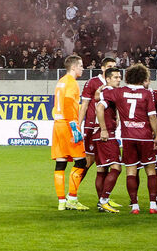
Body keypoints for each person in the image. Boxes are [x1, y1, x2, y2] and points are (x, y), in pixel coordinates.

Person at [98, 63, 157, 214]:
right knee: (151, 170)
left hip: (128, 138)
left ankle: (135, 206)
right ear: (143, 78)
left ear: (128, 77)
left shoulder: (119, 92)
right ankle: (153, 206)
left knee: (131, 172)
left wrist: (101, 88)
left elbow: (102, 96)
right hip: (145, 137)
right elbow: (152, 116)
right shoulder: (147, 94)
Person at [51, 55, 88, 211]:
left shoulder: (61, 81)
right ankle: (72, 199)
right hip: (68, 125)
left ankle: (61, 202)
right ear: (73, 67)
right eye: (80, 65)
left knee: (61, 163)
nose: (82, 68)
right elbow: (68, 104)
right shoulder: (72, 83)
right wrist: (74, 127)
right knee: (81, 162)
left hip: (58, 125)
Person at [78, 57, 117, 204]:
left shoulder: (113, 83)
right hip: (92, 127)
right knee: (88, 162)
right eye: (109, 66)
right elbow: (85, 105)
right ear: (102, 68)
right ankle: (72, 194)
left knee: (103, 165)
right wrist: (78, 125)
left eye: (114, 66)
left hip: (105, 128)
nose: (112, 68)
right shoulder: (93, 82)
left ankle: (103, 200)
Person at [91, 67, 123, 213]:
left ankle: (101, 202)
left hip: (97, 135)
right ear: (108, 79)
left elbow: (98, 99)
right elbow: (99, 107)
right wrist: (104, 129)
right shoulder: (109, 92)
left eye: (119, 77)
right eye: (115, 77)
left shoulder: (104, 91)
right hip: (106, 135)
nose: (118, 79)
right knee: (116, 167)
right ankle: (104, 200)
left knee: (101, 170)